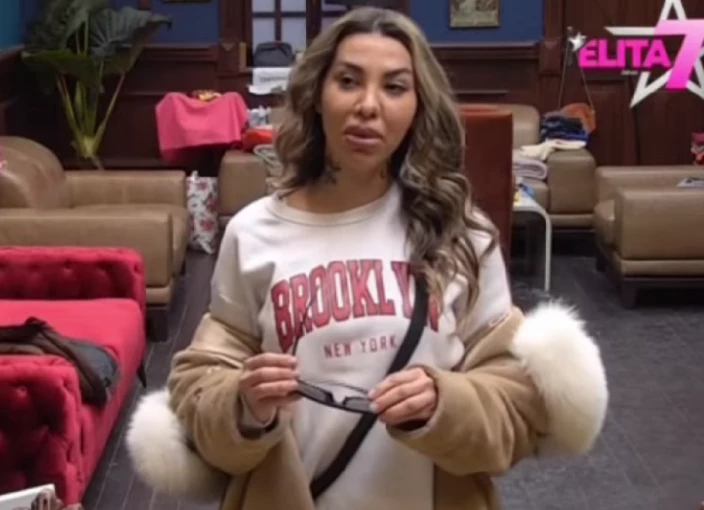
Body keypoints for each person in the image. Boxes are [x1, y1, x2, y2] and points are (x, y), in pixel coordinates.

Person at [126, 7, 609, 510]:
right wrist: (245, 404)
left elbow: (516, 410)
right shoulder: (252, 233)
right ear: (317, 95)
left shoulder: (462, 235)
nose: (368, 106)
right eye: (349, 81)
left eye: (394, 87)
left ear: (418, 107)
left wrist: (446, 405)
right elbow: (200, 386)